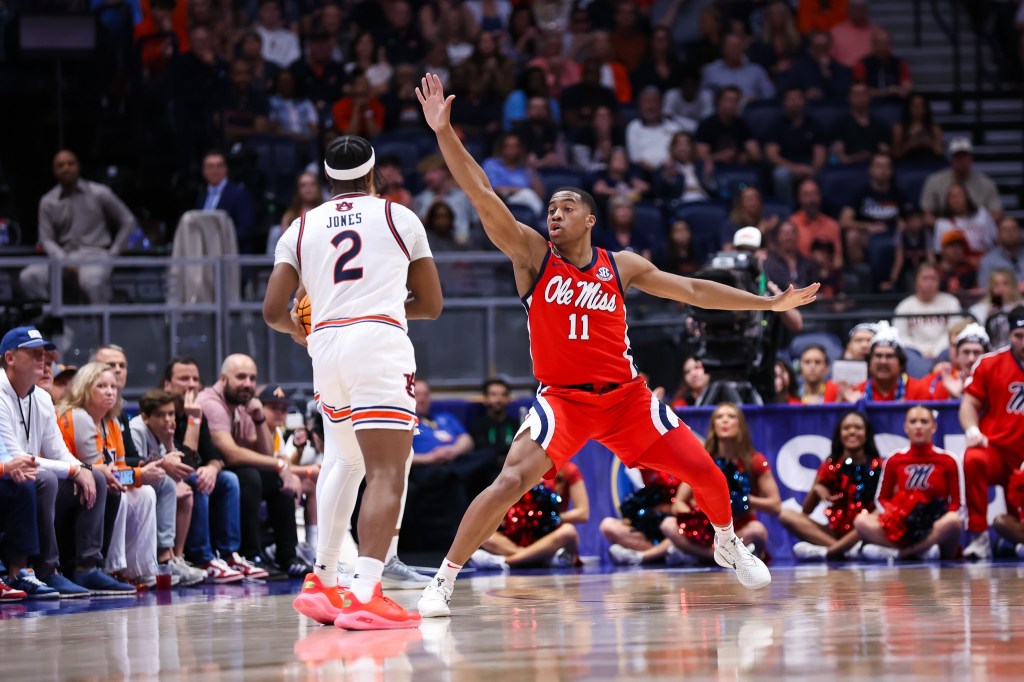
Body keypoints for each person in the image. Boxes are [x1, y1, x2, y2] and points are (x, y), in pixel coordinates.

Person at [415, 73, 819, 617]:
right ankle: (442, 580)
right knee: (510, 479)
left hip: (627, 400)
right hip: (564, 400)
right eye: (550, 209)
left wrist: (768, 305)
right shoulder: (534, 255)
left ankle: (726, 540)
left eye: (564, 207)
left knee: (707, 471)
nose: (553, 214)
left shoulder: (620, 265)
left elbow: (694, 290)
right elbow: (482, 193)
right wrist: (444, 133)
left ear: (590, 217)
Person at [264, 134, 442, 629]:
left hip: (325, 347)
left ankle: (323, 579)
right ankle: (365, 591)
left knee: (344, 459)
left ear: (327, 179)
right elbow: (430, 304)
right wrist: (381, 303)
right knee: (388, 470)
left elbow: (272, 311)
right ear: (372, 174)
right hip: (377, 341)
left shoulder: (300, 226)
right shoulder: (397, 216)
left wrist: (305, 332)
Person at [0, 327, 112, 598]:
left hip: (26, 479)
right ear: (10, 358)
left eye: (44, 354)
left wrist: (81, 469)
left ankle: (87, 567)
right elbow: (15, 457)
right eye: (34, 353)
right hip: (11, 479)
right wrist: (75, 469)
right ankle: (46, 570)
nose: (42, 359)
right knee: (45, 479)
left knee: (96, 477)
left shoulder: (41, 397)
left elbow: (58, 452)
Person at [95, 345, 198, 586]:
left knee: (158, 486)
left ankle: (147, 566)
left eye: (122, 366)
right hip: (104, 478)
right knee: (145, 484)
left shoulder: (116, 414)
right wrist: (155, 465)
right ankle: (111, 566)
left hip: (120, 475)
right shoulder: (82, 415)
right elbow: (101, 464)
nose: (117, 371)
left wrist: (171, 442)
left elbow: (127, 459)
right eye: (110, 368)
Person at [57, 362, 158, 589]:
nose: (110, 391)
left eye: (113, 386)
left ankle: (140, 570)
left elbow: (119, 470)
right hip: (67, 482)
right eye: (101, 386)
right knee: (111, 488)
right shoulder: (78, 417)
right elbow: (108, 475)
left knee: (145, 493)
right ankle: (104, 567)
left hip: (91, 481)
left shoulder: (111, 422)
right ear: (84, 388)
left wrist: (141, 476)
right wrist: (141, 474)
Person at [198, 354, 298, 580]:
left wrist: (259, 417)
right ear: (223, 379)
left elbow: (264, 454)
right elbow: (231, 454)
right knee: (249, 477)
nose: (248, 384)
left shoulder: (243, 406)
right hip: (207, 471)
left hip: (228, 471)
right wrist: (281, 464)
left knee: (275, 481)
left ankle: (288, 557)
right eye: (241, 377)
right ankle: (250, 555)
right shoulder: (211, 403)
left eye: (252, 378)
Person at [659, 403, 781, 563]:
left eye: (731, 417)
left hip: (738, 528)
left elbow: (775, 505)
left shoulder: (754, 461)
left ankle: (698, 556)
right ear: (713, 425)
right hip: (706, 529)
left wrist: (743, 499)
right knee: (668, 525)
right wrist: (698, 516)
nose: (725, 421)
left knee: (758, 530)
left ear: (740, 425)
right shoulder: (704, 461)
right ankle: (721, 557)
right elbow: (678, 504)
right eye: (719, 417)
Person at [159, 357, 244, 583]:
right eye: (184, 379)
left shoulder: (197, 412)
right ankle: (202, 557)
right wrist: (194, 420)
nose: (191, 385)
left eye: (195, 379)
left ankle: (228, 555)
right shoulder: (162, 413)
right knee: (195, 478)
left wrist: (213, 469)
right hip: (165, 478)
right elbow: (185, 463)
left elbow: (214, 457)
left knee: (228, 480)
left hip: (188, 475)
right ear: (167, 384)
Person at [19, 150, 136, 303]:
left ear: (78, 167)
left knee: (93, 282)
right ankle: (51, 323)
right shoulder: (48, 201)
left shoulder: (99, 192)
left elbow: (128, 220)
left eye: (70, 164)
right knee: (29, 277)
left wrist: (113, 253)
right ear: (54, 171)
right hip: (62, 257)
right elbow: (46, 239)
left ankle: (101, 326)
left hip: (95, 255)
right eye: (60, 165)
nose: (66, 168)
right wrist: (63, 260)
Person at [852, 406, 963, 560]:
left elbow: (958, 504)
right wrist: (896, 516)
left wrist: (937, 519)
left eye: (924, 422)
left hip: (935, 526)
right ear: (906, 427)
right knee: (861, 521)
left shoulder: (948, 460)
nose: (918, 426)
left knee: (953, 521)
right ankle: (923, 551)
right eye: (913, 422)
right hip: (903, 525)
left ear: (934, 427)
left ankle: (900, 554)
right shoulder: (894, 459)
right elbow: (881, 499)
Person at [959, 305, 1024, 560]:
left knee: (1011, 520)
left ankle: (1013, 542)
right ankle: (978, 536)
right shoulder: (989, 363)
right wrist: (973, 430)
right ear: (1009, 335)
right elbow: (969, 404)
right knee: (973, 458)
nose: (1023, 341)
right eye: (1019, 335)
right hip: (998, 449)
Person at [127, 390, 208, 586]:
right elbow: (134, 464)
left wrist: (170, 443)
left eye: (171, 414)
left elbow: (187, 465)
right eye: (161, 415)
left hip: (153, 482)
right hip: (133, 482)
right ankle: (164, 556)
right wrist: (166, 465)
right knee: (170, 486)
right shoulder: (136, 430)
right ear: (146, 417)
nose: (168, 419)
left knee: (187, 492)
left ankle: (175, 558)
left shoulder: (163, 433)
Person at [783, 411, 883, 561]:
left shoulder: (879, 466)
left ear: (867, 433)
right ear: (839, 434)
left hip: (866, 531)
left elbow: (884, 506)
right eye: (847, 427)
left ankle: (831, 551)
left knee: (875, 516)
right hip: (835, 533)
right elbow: (806, 511)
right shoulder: (829, 466)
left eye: (858, 427)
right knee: (786, 515)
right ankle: (846, 550)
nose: (852, 431)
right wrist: (816, 490)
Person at [475, 461, 589, 569]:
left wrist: (547, 519)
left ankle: (505, 561)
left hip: (551, 536)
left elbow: (583, 513)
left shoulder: (568, 469)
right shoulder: (518, 469)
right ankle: (542, 559)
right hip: (521, 538)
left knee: (568, 531)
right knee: (485, 534)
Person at [259, 385, 319, 575]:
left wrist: (298, 464)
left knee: (308, 484)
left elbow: (284, 463)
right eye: (274, 408)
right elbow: (275, 464)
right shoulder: (256, 427)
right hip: (258, 479)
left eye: (284, 409)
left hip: (271, 478)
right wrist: (308, 470)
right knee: (295, 483)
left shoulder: (276, 432)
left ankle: (311, 545)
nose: (281, 413)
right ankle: (278, 548)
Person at [764, 87, 827, 204]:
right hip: (787, 168)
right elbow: (772, 155)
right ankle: (787, 208)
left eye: (798, 99)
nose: (794, 102)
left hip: (810, 168)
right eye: (791, 99)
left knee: (824, 175)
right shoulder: (776, 126)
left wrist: (812, 170)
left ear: (804, 102)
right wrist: (794, 168)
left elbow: (820, 155)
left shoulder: (815, 125)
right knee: (780, 175)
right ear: (784, 103)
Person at [921, 138, 1003, 225]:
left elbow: (997, 213)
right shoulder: (934, 181)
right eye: (957, 157)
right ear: (951, 159)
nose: (961, 160)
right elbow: (927, 215)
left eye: (964, 156)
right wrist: (944, 226)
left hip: (977, 231)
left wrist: (975, 225)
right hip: (945, 232)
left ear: (971, 158)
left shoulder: (986, 184)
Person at [892, 263, 963, 359]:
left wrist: (935, 351)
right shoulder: (904, 307)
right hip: (914, 354)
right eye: (925, 278)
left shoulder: (951, 302)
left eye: (933, 278)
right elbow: (901, 336)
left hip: (943, 352)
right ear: (916, 281)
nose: (929, 283)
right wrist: (920, 352)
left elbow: (954, 332)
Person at [194, 150, 257, 254]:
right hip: (205, 257)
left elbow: (246, 228)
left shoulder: (239, 194)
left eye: (219, 166)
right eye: (210, 166)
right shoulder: (202, 196)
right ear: (204, 171)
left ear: (226, 169)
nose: (215, 170)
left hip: (231, 257)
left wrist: (219, 241)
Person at [847, 326, 930, 402]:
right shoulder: (857, 392)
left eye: (889, 356)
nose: (883, 361)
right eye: (878, 356)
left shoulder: (919, 389)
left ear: (900, 364)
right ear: (869, 364)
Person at [413, 155, 476, 247]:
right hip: (435, 246)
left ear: (446, 172)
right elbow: (418, 229)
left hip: (464, 246)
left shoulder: (463, 197)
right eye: (425, 174)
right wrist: (432, 207)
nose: (428, 177)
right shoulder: (421, 199)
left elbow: (475, 222)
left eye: (434, 171)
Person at [694, 86, 761, 172]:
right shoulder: (707, 125)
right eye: (729, 100)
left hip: (738, 168)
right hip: (716, 168)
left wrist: (746, 156)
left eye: (736, 101)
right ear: (719, 102)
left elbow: (756, 154)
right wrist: (720, 157)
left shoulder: (742, 125)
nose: (732, 104)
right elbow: (700, 156)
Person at [917, 322, 990, 400]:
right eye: (965, 351)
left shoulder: (994, 379)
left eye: (976, 352)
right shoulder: (936, 380)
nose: (971, 358)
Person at [701, 34, 776, 107]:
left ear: (743, 49)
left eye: (737, 46)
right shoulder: (711, 71)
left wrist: (756, 100)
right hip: (719, 114)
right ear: (723, 49)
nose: (734, 49)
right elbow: (702, 99)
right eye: (731, 46)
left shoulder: (757, 71)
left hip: (750, 113)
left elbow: (770, 95)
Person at [830, 82, 892, 164]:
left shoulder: (881, 126)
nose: (859, 97)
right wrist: (855, 158)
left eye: (863, 94)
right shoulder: (839, 125)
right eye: (855, 94)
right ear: (849, 97)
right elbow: (837, 157)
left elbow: (886, 154)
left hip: (876, 169)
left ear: (869, 96)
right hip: (847, 169)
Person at [625, 87, 685, 173]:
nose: (650, 106)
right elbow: (636, 159)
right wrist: (658, 172)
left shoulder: (674, 127)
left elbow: (680, 153)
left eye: (654, 101)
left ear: (661, 104)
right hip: (644, 173)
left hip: (673, 171)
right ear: (639, 104)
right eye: (646, 101)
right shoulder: (633, 127)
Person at [932, 184, 998, 261]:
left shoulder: (983, 214)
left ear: (967, 197)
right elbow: (939, 252)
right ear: (947, 202)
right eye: (952, 197)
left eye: (959, 195)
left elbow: (995, 240)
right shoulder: (941, 223)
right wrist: (968, 260)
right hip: (958, 265)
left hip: (986, 260)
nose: (956, 200)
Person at [789, 179, 843, 269]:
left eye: (815, 194)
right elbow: (788, 258)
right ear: (799, 198)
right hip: (801, 276)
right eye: (806, 195)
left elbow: (838, 261)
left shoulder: (832, 225)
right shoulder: (791, 224)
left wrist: (826, 266)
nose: (811, 200)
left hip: (827, 275)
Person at [469, 378, 521, 470]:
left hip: (514, 468)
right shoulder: (479, 425)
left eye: (503, 395)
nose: (499, 399)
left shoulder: (516, 424)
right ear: (486, 398)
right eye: (494, 395)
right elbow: (483, 451)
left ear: (508, 398)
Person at [853, 28, 913, 100]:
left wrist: (902, 89)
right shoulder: (862, 63)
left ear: (890, 45)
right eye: (880, 44)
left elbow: (907, 86)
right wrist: (887, 91)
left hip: (894, 102)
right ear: (873, 45)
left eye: (886, 44)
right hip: (869, 102)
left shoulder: (899, 63)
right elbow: (860, 90)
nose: (883, 47)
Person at [892, 92, 944, 161]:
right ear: (908, 107)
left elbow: (940, 153)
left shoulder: (934, 128)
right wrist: (910, 144)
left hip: (930, 162)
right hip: (906, 164)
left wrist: (930, 143)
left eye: (921, 106)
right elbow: (895, 154)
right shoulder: (899, 128)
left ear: (925, 108)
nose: (917, 109)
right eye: (914, 106)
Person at [978, 217, 1024, 288]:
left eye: (1013, 229)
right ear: (998, 235)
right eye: (1005, 230)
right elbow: (984, 288)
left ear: (1021, 232)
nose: (1010, 233)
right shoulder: (988, 261)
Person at [253, 0, 300, 69]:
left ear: (280, 12)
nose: (271, 13)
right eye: (267, 9)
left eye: (275, 9)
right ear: (261, 12)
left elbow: (294, 59)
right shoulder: (254, 35)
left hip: (284, 75)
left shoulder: (290, 37)